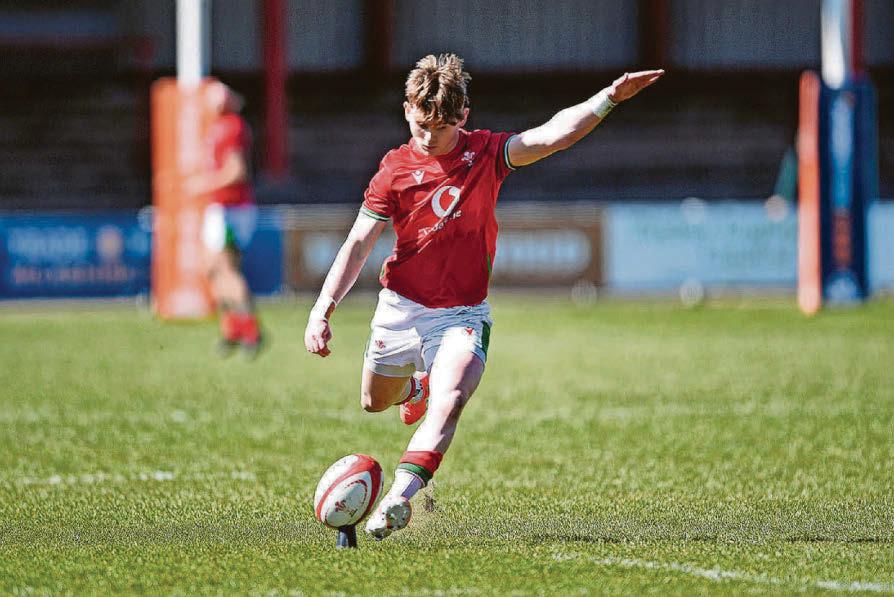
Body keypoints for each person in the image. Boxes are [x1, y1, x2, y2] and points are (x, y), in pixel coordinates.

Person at [304, 54, 662, 539]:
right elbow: (358, 243)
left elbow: (549, 136)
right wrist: (322, 310)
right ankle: (414, 387)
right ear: (407, 109)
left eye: (442, 128)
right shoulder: (393, 170)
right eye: (420, 124)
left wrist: (609, 99)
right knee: (373, 400)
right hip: (401, 308)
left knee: (451, 399)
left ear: (463, 117)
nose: (429, 137)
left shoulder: (487, 154)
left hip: (461, 315)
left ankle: (398, 500)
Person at [185, 81, 263, 358]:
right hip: (222, 207)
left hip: (231, 208)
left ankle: (251, 330)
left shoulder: (231, 126)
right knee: (211, 269)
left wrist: (202, 185)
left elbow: (236, 171)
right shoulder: (220, 126)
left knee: (226, 269)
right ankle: (233, 327)